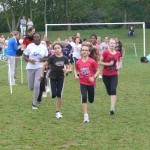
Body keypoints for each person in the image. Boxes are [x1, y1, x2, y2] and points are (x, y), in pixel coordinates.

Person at [39, 42, 69, 118]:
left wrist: (66, 70)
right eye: (55, 48)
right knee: (53, 95)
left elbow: (69, 67)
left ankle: (58, 111)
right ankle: (48, 89)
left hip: (61, 78)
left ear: (61, 48)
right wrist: (42, 75)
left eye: (58, 48)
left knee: (59, 95)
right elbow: (44, 65)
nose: (56, 50)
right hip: (52, 77)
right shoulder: (52, 57)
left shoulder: (64, 58)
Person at [74, 42, 100, 123]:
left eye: (86, 50)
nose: (84, 52)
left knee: (91, 100)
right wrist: (76, 75)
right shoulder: (78, 62)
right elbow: (75, 69)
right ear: (81, 52)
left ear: (89, 52)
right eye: (83, 50)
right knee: (84, 97)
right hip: (83, 83)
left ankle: (91, 98)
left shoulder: (92, 61)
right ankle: (85, 115)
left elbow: (98, 70)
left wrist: (94, 77)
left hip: (91, 83)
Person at [23, 33, 48, 110]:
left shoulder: (44, 47)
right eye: (35, 37)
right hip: (30, 68)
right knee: (31, 86)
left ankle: (34, 103)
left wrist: (42, 59)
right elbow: (25, 56)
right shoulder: (30, 46)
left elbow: (47, 58)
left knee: (37, 85)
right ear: (33, 39)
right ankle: (35, 92)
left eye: (38, 37)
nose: (36, 38)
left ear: (40, 38)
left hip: (40, 67)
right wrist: (29, 60)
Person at [99, 38, 121, 115]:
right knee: (109, 91)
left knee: (113, 90)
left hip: (114, 74)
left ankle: (112, 108)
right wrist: (108, 64)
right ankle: (111, 97)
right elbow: (99, 62)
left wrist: (118, 66)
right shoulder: (105, 52)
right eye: (110, 43)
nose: (112, 44)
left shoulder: (118, 53)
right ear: (108, 44)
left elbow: (119, 60)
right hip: (106, 75)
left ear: (115, 45)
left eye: (113, 43)